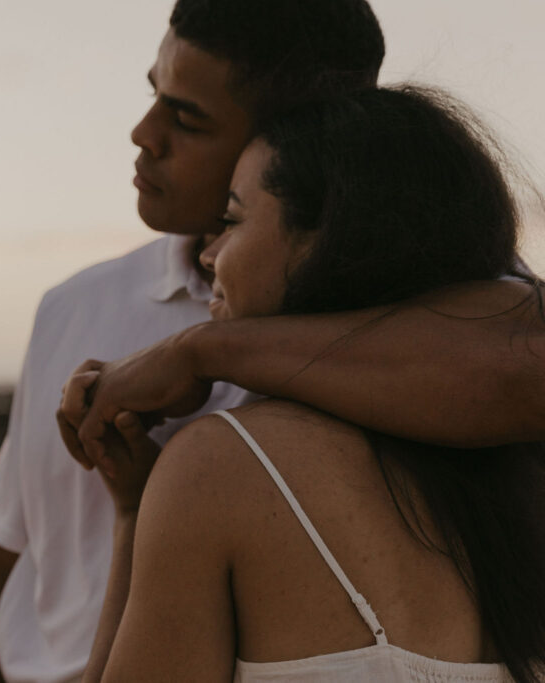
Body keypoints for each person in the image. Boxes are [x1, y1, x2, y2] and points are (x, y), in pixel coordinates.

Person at [0, 2, 545, 681]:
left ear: (303, 133)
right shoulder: (76, 306)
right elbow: (0, 560)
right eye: (154, 93)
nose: (143, 133)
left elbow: (525, 371)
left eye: (187, 118)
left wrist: (201, 351)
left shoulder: (459, 303)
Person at [71, 86, 544, 682]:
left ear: (323, 238)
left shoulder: (225, 467)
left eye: (232, 220)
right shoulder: (523, 483)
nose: (210, 254)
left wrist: (139, 513)